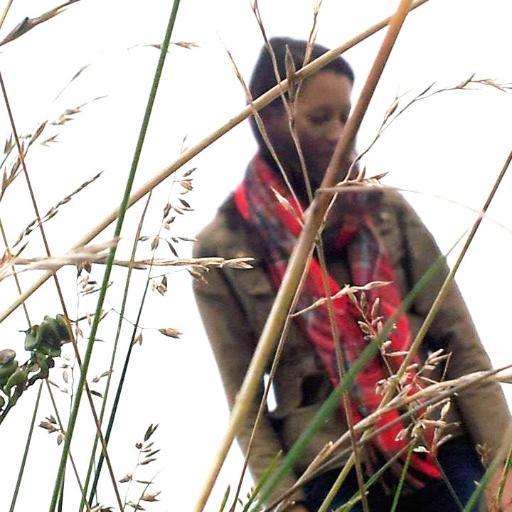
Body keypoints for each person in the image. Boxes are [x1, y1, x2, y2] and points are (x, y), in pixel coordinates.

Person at [193, 37, 511, 511]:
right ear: (267, 120)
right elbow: (245, 402)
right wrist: (284, 503)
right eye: (320, 119)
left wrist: (505, 469)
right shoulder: (222, 248)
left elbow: (460, 344)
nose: (339, 133)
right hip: (330, 474)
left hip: (442, 448)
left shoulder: (388, 212)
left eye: (347, 117)